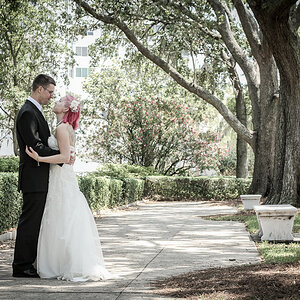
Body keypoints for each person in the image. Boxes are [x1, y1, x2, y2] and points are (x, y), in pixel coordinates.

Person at [25, 94, 111, 281]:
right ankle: (63, 262)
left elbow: (64, 158)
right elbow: (69, 154)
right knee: (63, 218)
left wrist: (39, 158)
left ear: (65, 109)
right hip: (61, 177)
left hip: (61, 177)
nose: (55, 101)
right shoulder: (65, 128)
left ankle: (61, 264)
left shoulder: (62, 128)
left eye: (60, 100)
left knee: (61, 218)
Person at [12, 74, 63, 278]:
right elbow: (35, 146)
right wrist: (62, 156)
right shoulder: (27, 112)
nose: (52, 96)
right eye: (50, 92)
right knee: (30, 223)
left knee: (34, 222)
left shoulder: (34, 111)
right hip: (33, 177)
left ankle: (27, 263)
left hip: (39, 176)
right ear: (39, 89)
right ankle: (22, 266)